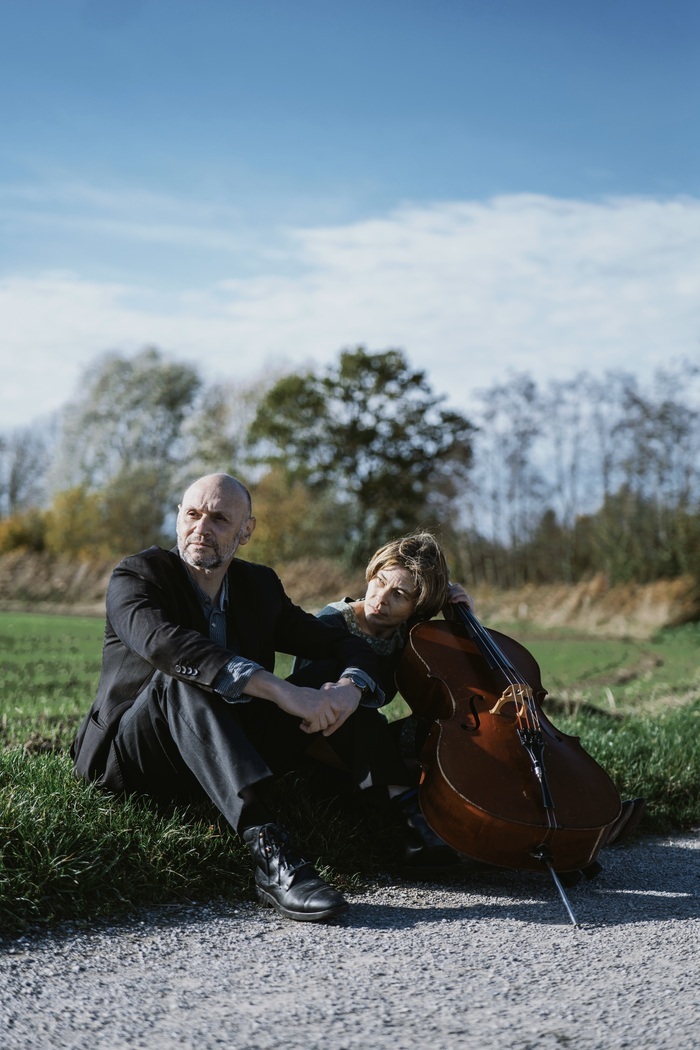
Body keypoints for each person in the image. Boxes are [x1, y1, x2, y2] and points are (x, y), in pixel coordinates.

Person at [71, 473, 402, 924]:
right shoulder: (138, 575)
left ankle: (399, 818)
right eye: (192, 514)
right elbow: (167, 646)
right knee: (182, 681)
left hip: (227, 745)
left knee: (328, 672)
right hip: (136, 756)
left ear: (246, 531)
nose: (201, 528)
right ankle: (268, 850)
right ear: (178, 518)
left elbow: (338, 642)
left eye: (219, 519)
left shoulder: (258, 586)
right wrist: (281, 690)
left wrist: (350, 688)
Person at [293, 532, 646, 875]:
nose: (380, 599)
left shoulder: (408, 631)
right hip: (326, 743)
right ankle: (419, 820)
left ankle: (543, 818)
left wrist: (461, 621)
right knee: (366, 721)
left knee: (452, 736)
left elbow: (463, 674)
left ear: (418, 606)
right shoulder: (332, 622)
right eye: (380, 582)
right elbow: (308, 714)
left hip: (372, 742)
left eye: (399, 594)